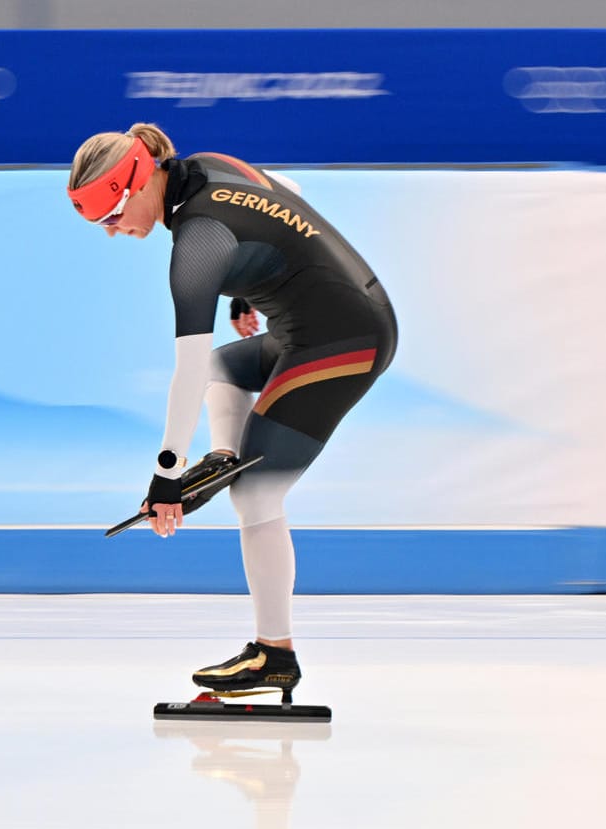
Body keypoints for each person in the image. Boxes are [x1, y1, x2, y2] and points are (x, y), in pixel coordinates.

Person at [67, 122, 397, 701]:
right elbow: (286, 191)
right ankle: (225, 456)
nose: (113, 233)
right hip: (320, 322)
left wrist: (166, 477)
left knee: (257, 496)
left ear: (138, 184)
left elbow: (185, 374)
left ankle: (275, 654)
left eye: (110, 218)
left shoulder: (196, 244)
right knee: (227, 367)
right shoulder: (210, 164)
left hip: (344, 338)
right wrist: (247, 291)